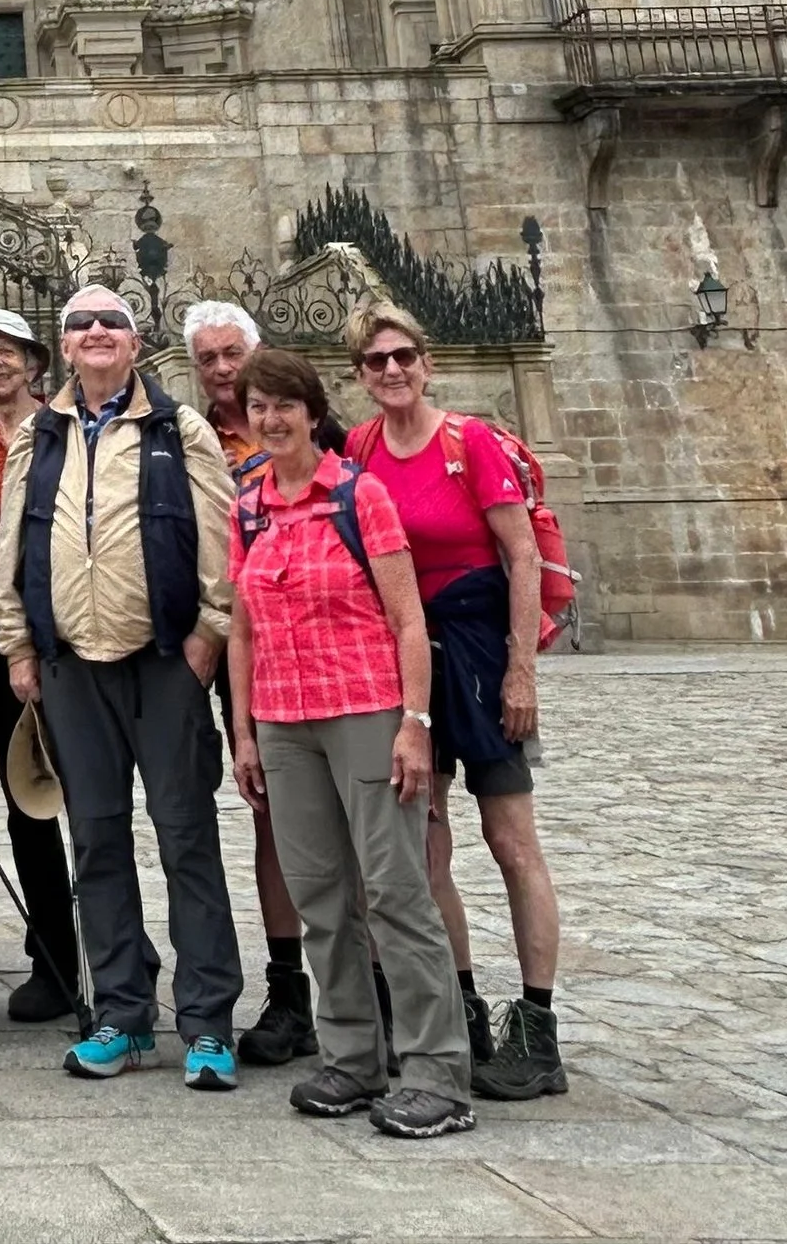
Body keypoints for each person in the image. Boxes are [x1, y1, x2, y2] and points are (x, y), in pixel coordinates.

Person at [0, 285, 243, 1090]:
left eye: (113, 322)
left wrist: (211, 630)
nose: (96, 333)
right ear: (62, 347)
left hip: (163, 656)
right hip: (69, 662)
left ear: (135, 344)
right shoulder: (41, 432)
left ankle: (206, 1020)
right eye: (81, 323)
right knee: (95, 840)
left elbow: (220, 532)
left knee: (185, 836)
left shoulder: (180, 426)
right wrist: (17, 641)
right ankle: (123, 1011)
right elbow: (13, 539)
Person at [227, 345, 474, 1139]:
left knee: (396, 891)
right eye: (257, 406)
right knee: (321, 897)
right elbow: (243, 626)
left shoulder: (357, 495)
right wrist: (243, 729)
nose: (271, 418)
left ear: (311, 409)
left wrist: (415, 722)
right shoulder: (249, 503)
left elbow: (408, 617)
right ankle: (351, 1056)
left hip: (366, 709)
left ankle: (437, 1071)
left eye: (283, 404)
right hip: (283, 718)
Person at [346, 299, 566, 1103]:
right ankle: (462, 1007)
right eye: (377, 361)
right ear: (361, 376)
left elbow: (521, 557)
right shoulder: (362, 448)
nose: (394, 370)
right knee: (428, 844)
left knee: (511, 840)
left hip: (480, 651)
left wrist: (522, 671)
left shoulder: (466, 442)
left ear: (427, 362)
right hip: (411, 660)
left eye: (405, 355)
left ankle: (538, 1029)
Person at [184, 296, 318, 1070]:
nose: (223, 369)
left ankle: (371, 984)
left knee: (336, 815)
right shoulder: (188, 431)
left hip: (309, 643)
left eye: (231, 353)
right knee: (268, 810)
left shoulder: (294, 426)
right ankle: (289, 986)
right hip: (226, 639)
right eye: (208, 357)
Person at [0, 310, 85, 1029]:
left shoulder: (67, 429)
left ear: (36, 363)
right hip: (3, 642)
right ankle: (53, 958)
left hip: (73, 632)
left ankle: (115, 941)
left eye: (8, 351)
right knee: (28, 800)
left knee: (94, 799)